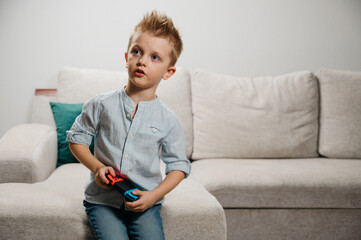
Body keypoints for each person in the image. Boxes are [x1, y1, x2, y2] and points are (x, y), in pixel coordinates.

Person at [66, 10, 191, 240]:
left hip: (145, 202)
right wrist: (97, 168)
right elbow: (76, 139)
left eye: (155, 57)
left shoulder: (168, 120)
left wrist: (153, 197)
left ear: (168, 72)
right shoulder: (101, 104)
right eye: (137, 52)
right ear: (126, 58)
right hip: (102, 202)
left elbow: (179, 167)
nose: (142, 60)